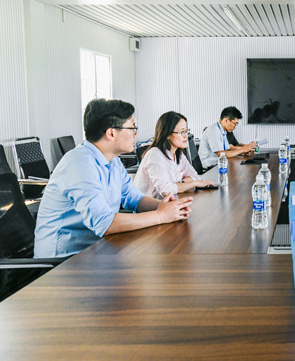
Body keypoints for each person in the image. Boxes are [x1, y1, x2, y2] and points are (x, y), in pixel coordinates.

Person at [34, 99, 193, 258]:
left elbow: (133, 198)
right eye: (132, 128)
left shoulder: (113, 161)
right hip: (63, 261)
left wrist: (165, 207)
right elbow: (104, 223)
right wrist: (161, 216)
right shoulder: (79, 164)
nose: (135, 134)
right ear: (111, 133)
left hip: (98, 248)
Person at [134, 111, 215, 199]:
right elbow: (166, 190)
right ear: (168, 134)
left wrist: (178, 184)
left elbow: (195, 176)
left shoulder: (178, 154)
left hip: (168, 202)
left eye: (186, 131)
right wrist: (193, 183)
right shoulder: (155, 155)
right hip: (150, 205)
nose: (186, 136)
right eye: (182, 132)